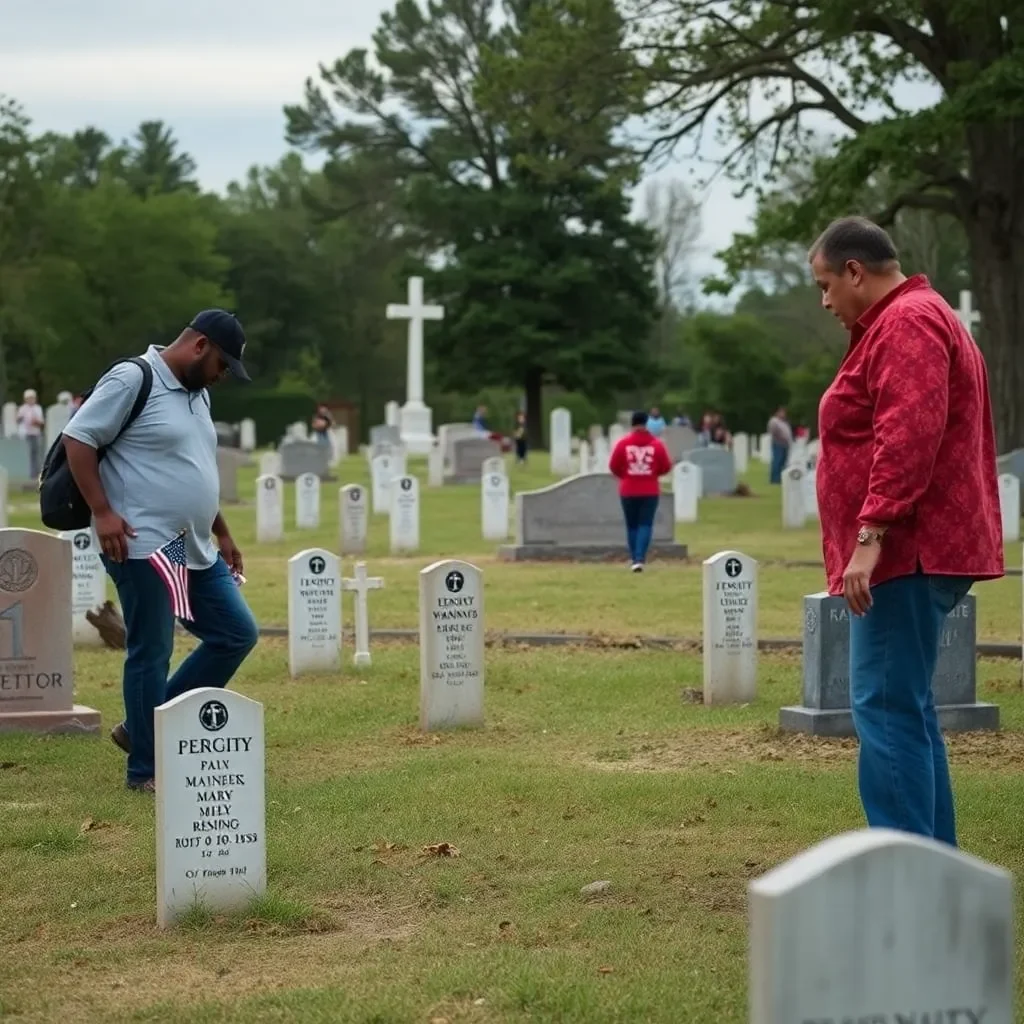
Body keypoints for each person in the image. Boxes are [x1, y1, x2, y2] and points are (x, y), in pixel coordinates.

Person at [810, 216, 1003, 846]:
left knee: (886, 711)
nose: (825, 301)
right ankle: (933, 868)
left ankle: (903, 880)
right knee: (906, 711)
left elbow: (908, 433)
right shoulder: (915, 316)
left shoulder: (908, 321)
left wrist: (871, 535)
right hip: (913, 550)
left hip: (907, 553)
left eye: (826, 284)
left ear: (855, 272)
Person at [62, 309, 260, 793]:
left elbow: (192, 467)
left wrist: (224, 531)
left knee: (236, 633)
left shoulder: (198, 394)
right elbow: (78, 438)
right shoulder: (134, 378)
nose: (221, 376)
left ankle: (140, 731)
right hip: (143, 543)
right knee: (152, 651)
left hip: (194, 544)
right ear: (199, 347)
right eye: (221, 365)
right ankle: (146, 770)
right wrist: (103, 511)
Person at [609, 410, 672, 572]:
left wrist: (625, 475)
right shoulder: (656, 445)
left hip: (628, 489)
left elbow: (614, 466)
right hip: (649, 489)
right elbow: (666, 466)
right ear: (647, 423)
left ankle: (633, 558)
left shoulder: (623, 444)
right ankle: (639, 558)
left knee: (632, 525)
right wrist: (652, 474)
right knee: (645, 524)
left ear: (632, 424)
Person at [16, 389, 45, 480]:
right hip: (25, 433)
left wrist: (36, 421)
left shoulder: (37, 408)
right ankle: (30, 473)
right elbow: (18, 419)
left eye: (32, 398)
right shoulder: (22, 408)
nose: (31, 400)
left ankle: (36, 473)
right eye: (29, 398)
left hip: (35, 433)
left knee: (36, 453)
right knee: (29, 453)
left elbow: (41, 422)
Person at [767, 406, 792, 484]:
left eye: (784, 412)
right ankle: (775, 479)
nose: (783, 414)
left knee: (783, 462)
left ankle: (780, 478)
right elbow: (773, 432)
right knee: (777, 461)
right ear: (777, 412)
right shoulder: (774, 421)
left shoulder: (784, 422)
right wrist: (781, 438)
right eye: (781, 412)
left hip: (785, 444)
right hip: (778, 444)